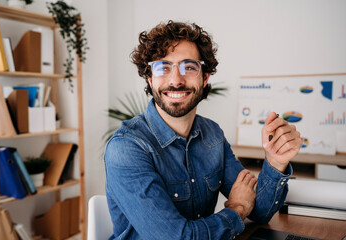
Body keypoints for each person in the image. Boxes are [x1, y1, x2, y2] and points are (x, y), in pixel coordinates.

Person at [104, 20, 302, 240]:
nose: (176, 80)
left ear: (205, 77)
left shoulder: (212, 135)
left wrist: (275, 162)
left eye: (189, 67)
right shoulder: (126, 148)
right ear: (150, 79)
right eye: (163, 67)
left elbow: (258, 211)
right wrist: (236, 209)